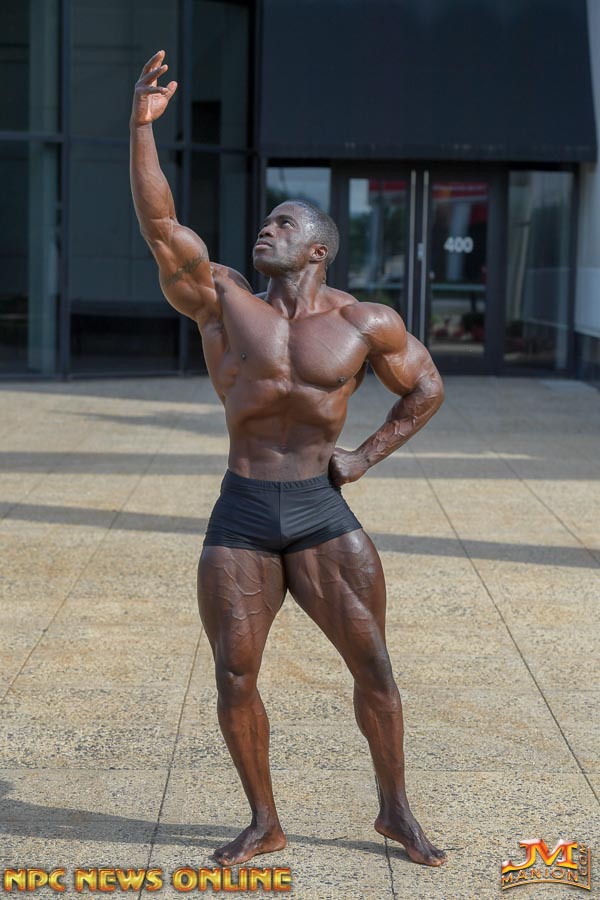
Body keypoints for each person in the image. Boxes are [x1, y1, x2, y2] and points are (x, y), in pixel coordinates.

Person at [130, 50, 447, 869]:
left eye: (284, 224)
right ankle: (264, 822)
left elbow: (426, 388)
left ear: (317, 250)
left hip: (319, 510)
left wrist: (365, 456)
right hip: (241, 512)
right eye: (265, 221)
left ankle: (395, 811)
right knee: (235, 676)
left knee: (375, 668)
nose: (266, 229)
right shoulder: (223, 300)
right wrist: (141, 128)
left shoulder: (364, 322)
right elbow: (162, 229)